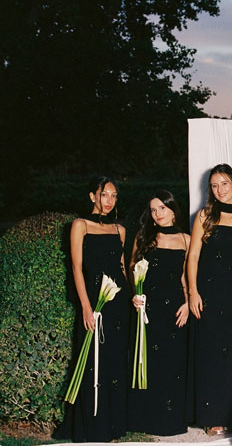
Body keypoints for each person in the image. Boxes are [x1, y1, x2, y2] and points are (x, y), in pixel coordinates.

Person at [60, 176, 130, 442]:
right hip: (93, 303)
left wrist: (132, 297)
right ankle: (92, 426)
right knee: (90, 362)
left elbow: (122, 268)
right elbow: (77, 268)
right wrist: (87, 307)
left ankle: (113, 426)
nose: (110, 200)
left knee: (113, 361)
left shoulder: (119, 230)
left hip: (118, 304)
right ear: (93, 196)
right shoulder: (80, 225)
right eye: (105, 195)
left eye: (114, 195)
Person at [187, 164, 232, 435]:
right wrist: (192, 291)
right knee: (211, 353)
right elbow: (193, 256)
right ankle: (212, 417)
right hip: (208, 292)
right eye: (214, 185)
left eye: (224, 184)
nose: (219, 190)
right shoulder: (204, 215)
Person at [127, 190, 190, 436]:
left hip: (174, 308)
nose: (157, 214)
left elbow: (188, 275)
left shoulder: (186, 239)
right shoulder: (144, 237)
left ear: (173, 209)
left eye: (162, 208)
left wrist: (187, 303)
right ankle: (144, 419)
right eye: (153, 210)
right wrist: (135, 294)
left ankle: (170, 420)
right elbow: (132, 268)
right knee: (148, 361)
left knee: (172, 362)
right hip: (148, 308)